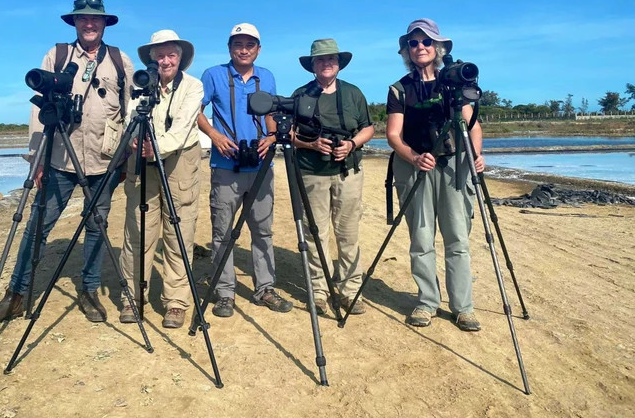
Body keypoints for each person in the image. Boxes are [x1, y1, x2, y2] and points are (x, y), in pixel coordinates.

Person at [0, 0, 134, 328]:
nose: (89, 24)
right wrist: (37, 159)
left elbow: (131, 113)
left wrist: (124, 159)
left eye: (95, 18)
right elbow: (38, 111)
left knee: (96, 228)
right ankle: (15, 297)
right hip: (60, 158)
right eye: (82, 18)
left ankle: (90, 291)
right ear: (74, 22)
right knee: (35, 229)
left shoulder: (120, 61)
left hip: (103, 162)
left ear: (105, 23)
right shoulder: (56, 55)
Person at [386, 18, 485, 332]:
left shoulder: (454, 83)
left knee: (457, 237)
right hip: (416, 166)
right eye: (413, 43)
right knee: (421, 238)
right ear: (407, 50)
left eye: (426, 41)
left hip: (454, 166)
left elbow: (472, 126)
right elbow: (393, 135)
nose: (420, 47)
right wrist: (415, 157)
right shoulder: (399, 89)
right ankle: (427, 302)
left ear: (438, 47)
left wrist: (477, 156)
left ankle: (463, 308)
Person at [197, 23, 293, 318]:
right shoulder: (213, 75)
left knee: (262, 231)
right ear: (229, 47)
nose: (244, 49)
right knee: (222, 232)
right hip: (225, 165)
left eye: (250, 44)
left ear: (258, 49)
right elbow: (195, 111)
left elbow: (273, 116)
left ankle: (265, 288)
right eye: (238, 44)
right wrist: (215, 136)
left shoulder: (268, 77)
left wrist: (272, 137)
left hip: (262, 166)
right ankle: (225, 292)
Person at [118, 30, 204, 329]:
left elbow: (182, 127)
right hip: (141, 159)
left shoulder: (193, 86)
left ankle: (176, 302)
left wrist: (155, 147)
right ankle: (132, 296)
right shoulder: (138, 84)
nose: (165, 61)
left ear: (180, 59)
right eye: (160, 55)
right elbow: (130, 116)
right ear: (152, 58)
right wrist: (134, 144)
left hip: (179, 160)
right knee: (138, 231)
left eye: (172, 55)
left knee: (178, 232)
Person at [292, 39, 375, 315]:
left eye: (331, 60)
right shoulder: (301, 94)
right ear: (312, 65)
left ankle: (350, 291)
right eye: (320, 60)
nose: (327, 64)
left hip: (348, 172)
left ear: (338, 64)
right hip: (311, 172)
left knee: (348, 232)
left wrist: (351, 145)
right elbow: (288, 134)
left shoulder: (353, 94)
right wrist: (311, 144)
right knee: (316, 232)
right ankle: (319, 290)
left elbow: (368, 128)